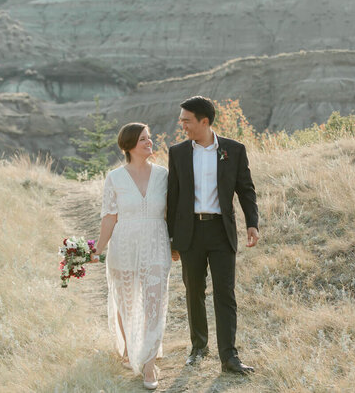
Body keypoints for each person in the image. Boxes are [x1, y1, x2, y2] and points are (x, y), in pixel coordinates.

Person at [166, 96, 260, 375]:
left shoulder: (234, 149)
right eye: (182, 119)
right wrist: (172, 238)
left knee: (225, 294)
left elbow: (246, 189)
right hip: (190, 232)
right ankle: (198, 347)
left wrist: (251, 223)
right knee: (194, 290)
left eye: (186, 120)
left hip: (221, 231)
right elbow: (173, 196)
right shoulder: (178, 152)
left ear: (204, 121)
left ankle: (229, 356)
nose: (181, 124)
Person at [93, 122, 171, 390]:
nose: (149, 143)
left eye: (149, 138)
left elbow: (172, 214)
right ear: (128, 145)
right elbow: (109, 217)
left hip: (155, 243)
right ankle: (129, 348)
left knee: (153, 303)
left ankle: (149, 364)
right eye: (142, 140)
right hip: (124, 245)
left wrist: (176, 246)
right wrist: (98, 248)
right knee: (126, 303)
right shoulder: (114, 177)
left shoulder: (164, 175)